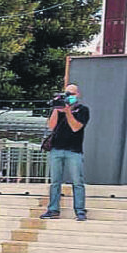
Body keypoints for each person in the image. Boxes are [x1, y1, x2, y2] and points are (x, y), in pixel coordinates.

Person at [40, 83, 90, 222]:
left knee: (77, 181)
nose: (69, 96)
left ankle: (80, 210)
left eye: (72, 94)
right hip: (57, 148)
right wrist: (57, 107)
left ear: (78, 94)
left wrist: (68, 111)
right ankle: (53, 209)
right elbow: (51, 126)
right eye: (67, 93)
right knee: (55, 181)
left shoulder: (83, 110)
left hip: (74, 150)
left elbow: (76, 127)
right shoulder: (59, 109)